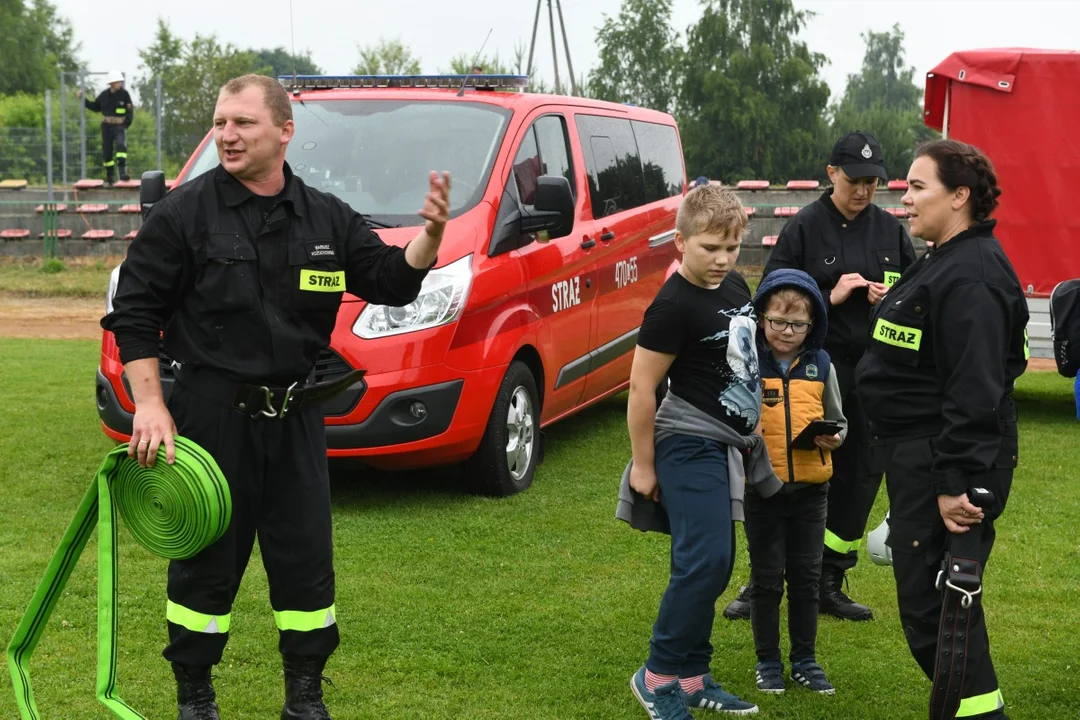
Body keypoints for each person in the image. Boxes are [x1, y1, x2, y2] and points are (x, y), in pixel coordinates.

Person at [100, 74, 451, 720]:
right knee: (205, 565)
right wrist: (149, 403)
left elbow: (389, 281)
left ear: (284, 133)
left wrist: (427, 239)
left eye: (243, 123)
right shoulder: (183, 214)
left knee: (305, 564)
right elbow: (133, 312)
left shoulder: (324, 217)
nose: (227, 135)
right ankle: (196, 698)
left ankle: (305, 696)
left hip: (296, 421)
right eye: (221, 122)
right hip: (211, 420)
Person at [855, 140, 1025, 719]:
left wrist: (954, 481)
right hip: (915, 455)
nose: (904, 197)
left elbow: (975, 391)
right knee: (936, 607)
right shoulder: (942, 258)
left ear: (959, 197)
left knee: (940, 610)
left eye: (917, 186)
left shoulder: (973, 275)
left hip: (942, 461)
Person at [724, 131, 916, 622]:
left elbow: (917, 295)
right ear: (832, 174)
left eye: (874, 182)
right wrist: (829, 295)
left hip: (873, 373)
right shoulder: (805, 228)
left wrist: (889, 301)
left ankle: (830, 576)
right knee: (786, 465)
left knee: (858, 475)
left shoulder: (891, 231)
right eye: (855, 180)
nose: (865, 191)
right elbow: (768, 296)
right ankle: (763, 577)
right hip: (808, 369)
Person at [620, 184, 782, 719]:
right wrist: (644, 466)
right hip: (687, 443)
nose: (722, 259)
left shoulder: (734, 284)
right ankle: (657, 674)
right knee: (705, 560)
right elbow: (642, 389)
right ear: (679, 242)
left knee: (715, 561)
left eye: (732, 247)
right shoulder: (672, 305)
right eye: (710, 247)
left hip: (726, 445)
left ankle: (692, 678)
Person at [745, 268, 847, 696]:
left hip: (811, 493)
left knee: (806, 578)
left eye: (798, 324)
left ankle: (804, 659)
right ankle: (768, 661)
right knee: (766, 580)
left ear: (813, 325)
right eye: (777, 321)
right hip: (762, 493)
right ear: (762, 318)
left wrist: (834, 436)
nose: (787, 332)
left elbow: (840, 422)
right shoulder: (747, 364)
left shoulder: (822, 365)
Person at [78, 70, 134, 185]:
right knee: (107, 152)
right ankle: (110, 178)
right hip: (107, 126)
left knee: (121, 146)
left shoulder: (124, 94)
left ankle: (122, 173)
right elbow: (95, 106)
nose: (120, 84)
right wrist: (83, 99)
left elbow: (129, 111)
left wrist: (126, 123)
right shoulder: (104, 95)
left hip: (119, 126)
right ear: (112, 83)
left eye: (120, 82)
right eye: (118, 82)